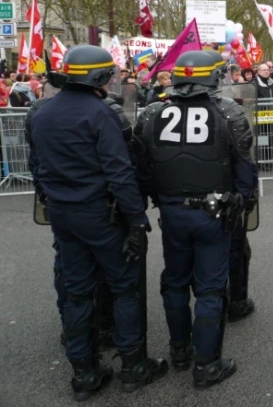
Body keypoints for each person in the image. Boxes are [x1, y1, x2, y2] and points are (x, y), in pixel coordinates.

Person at [28, 46, 167, 401]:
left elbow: (37, 169)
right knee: (124, 288)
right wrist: (137, 220)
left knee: (76, 292)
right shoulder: (100, 113)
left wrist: (52, 201)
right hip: (102, 216)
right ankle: (133, 365)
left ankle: (84, 372)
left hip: (63, 216)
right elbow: (119, 173)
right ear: (101, 77)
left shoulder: (41, 112)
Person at [134, 50, 256, 388]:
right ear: (213, 78)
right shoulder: (229, 112)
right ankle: (206, 365)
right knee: (210, 289)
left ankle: (179, 351)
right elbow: (245, 169)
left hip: (171, 212)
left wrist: (155, 200)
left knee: (174, 280)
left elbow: (142, 168)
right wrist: (243, 205)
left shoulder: (152, 113)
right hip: (213, 214)